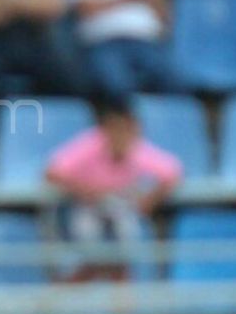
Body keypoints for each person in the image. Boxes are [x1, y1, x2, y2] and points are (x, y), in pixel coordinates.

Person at [45, 97, 182, 282]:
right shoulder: (90, 143)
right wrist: (86, 192)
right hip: (86, 206)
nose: (121, 135)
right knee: (90, 246)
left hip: (121, 207)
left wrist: (149, 200)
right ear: (106, 128)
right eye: (116, 129)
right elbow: (53, 172)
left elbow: (172, 172)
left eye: (126, 129)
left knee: (127, 240)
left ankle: (122, 304)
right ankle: (73, 292)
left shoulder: (136, 147)